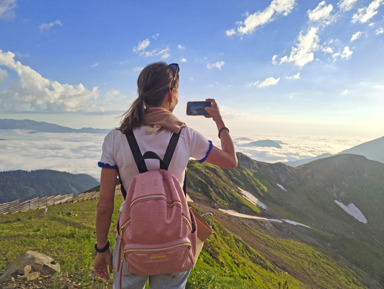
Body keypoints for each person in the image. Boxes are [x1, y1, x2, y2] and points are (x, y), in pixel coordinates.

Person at [93, 61, 237, 289]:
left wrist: (101, 249)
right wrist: (219, 121)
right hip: (176, 239)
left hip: (131, 237)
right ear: (171, 93)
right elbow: (231, 160)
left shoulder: (116, 138)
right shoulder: (187, 136)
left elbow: (104, 206)